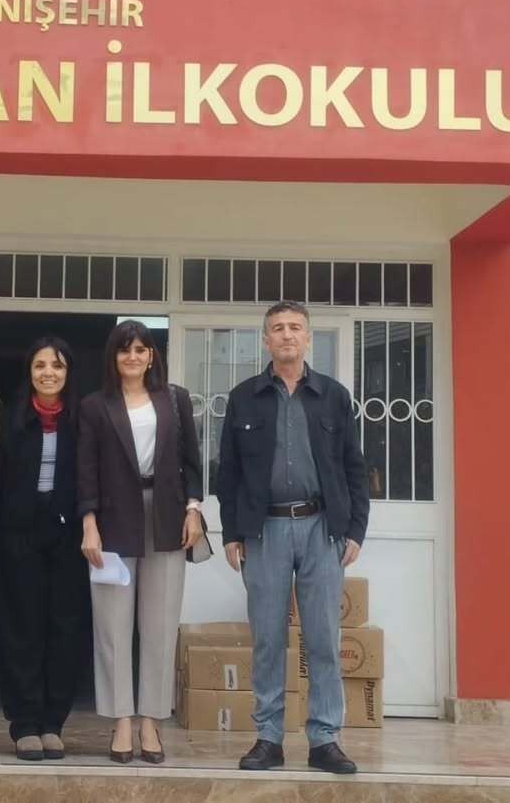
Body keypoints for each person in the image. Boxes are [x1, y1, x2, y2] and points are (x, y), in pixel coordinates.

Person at [216, 300, 369, 775]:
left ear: (308, 338)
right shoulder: (244, 398)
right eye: (278, 328)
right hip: (264, 530)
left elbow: (354, 466)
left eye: (295, 327)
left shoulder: (333, 396)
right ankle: (268, 738)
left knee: (323, 638)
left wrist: (355, 529)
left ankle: (325, 740)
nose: (286, 335)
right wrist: (232, 532)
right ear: (265, 340)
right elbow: (228, 472)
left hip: (322, 528)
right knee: (267, 638)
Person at [77, 319, 203, 764]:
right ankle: (121, 722)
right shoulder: (95, 405)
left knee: (160, 623)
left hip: (167, 516)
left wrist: (194, 509)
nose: (132, 357)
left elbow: (191, 460)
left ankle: (151, 720)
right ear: (113, 357)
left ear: (152, 355)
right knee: (112, 625)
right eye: (124, 349)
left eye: (140, 349)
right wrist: (89, 523)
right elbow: (86, 468)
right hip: (112, 521)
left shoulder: (175, 399)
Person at [0, 337, 90, 761]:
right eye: (40, 365)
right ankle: (25, 723)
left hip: (68, 535)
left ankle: (53, 723)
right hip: (19, 534)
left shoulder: (82, 419)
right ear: (29, 372)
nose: (49, 373)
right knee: (22, 629)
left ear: (69, 373)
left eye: (57, 366)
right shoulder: (9, 418)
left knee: (64, 629)